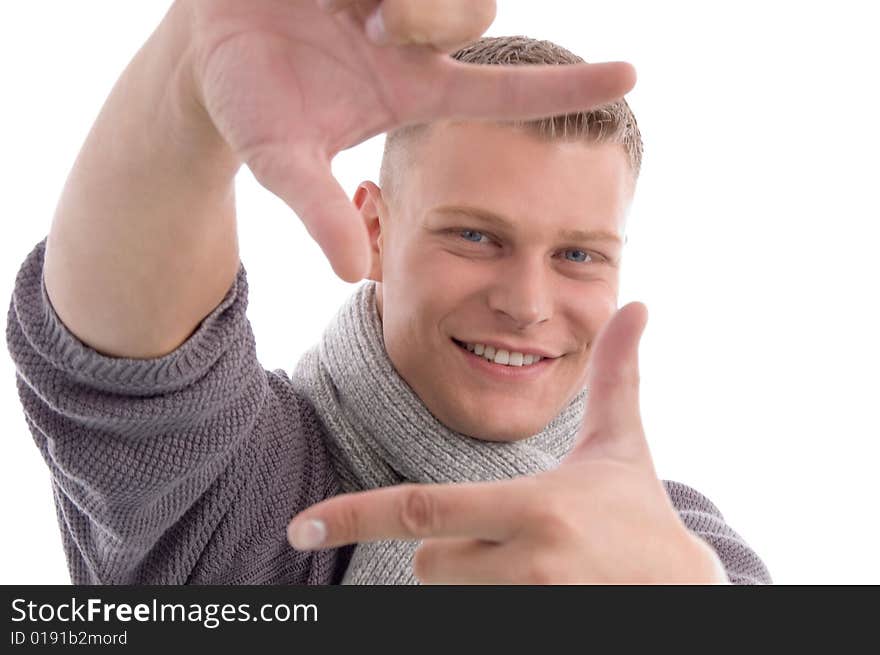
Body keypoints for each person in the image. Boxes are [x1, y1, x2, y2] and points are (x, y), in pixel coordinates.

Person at [6, 0, 771, 584]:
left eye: (578, 254)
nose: (528, 303)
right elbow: (121, 372)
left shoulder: (683, 544)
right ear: (374, 229)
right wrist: (186, 79)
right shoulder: (261, 492)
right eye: (475, 236)